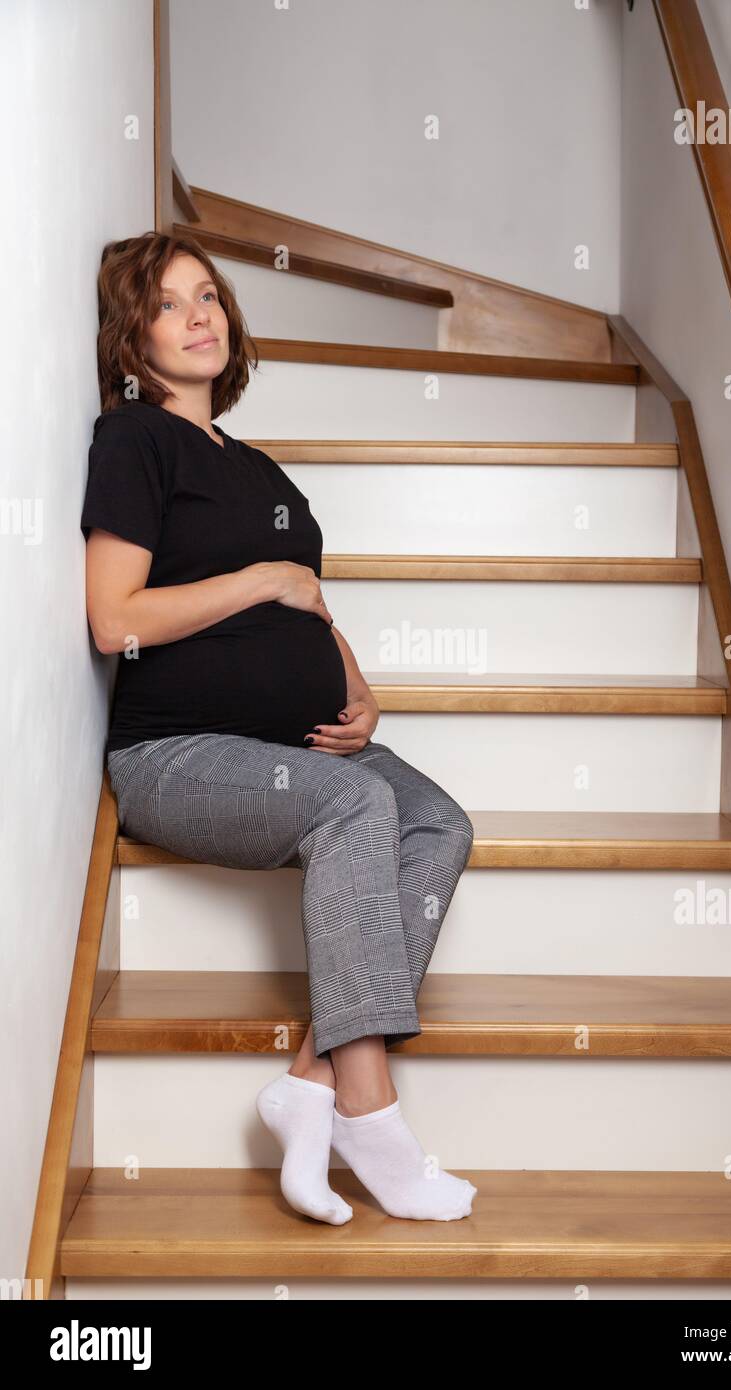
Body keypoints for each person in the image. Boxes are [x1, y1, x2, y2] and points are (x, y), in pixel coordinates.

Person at [80, 231, 477, 1226]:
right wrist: (261, 577)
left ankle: (306, 1085)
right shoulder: (131, 440)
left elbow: (306, 600)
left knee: (437, 822)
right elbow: (114, 617)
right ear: (132, 340)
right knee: (355, 803)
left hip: (303, 742)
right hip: (176, 752)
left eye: (207, 295)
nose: (199, 315)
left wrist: (357, 681)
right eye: (169, 304)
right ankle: (372, 1116)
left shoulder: (258, 468)